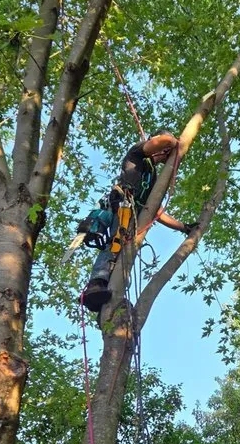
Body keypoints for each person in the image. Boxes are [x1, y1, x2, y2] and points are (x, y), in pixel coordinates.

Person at [82, 131, 194, 311]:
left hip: (135, 217)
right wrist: (175, 142)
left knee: (124, 254)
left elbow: (156, 211)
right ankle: (95, 283)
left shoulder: (153, 177)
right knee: (115, 243)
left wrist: (184, 227)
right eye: (165, 151)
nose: (165, 154)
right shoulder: (137, 153)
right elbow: (164, 140)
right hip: (123, 206)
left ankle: (109, 293)